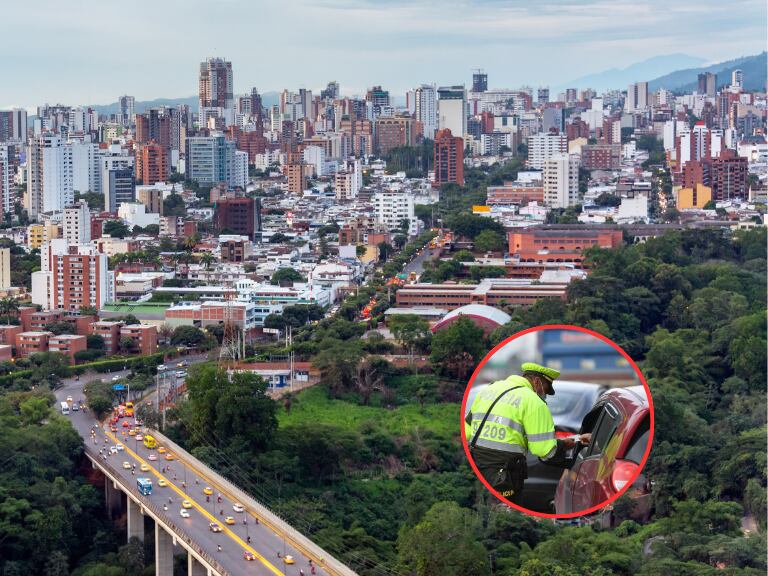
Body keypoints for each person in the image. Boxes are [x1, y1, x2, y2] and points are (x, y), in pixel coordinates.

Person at [465, 363, 591, 503]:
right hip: (504, 472)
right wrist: (571, 447)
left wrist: (576, 439)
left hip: (476, 463)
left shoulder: (490, 389)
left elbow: (467, 430)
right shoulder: (533, 402)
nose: (544, 395)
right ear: (537, 381)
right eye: (545, 389)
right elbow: (545, 450)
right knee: (502, 511)